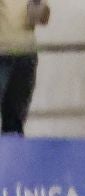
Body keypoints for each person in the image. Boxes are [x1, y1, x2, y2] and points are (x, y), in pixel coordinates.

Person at [0, 0, 50, 136]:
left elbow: (42, 19)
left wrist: (39, 7)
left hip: (25, 55)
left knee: (15, 121)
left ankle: (13, 154)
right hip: (2, 54)